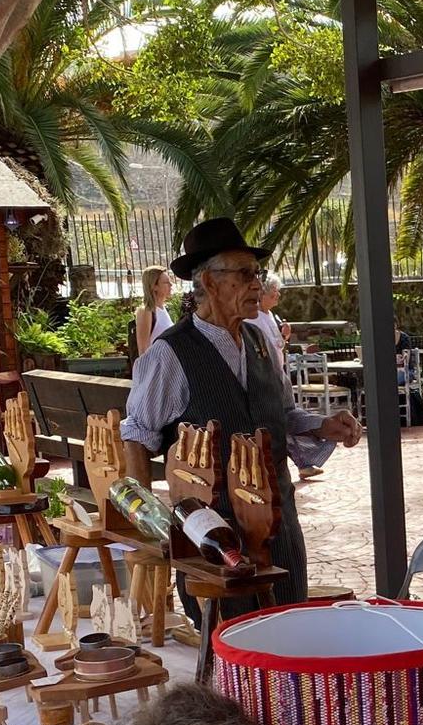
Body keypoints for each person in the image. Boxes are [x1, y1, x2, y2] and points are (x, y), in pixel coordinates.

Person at [120, 217, 361, 605]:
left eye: (258, 273)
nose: (257, 284)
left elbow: (281, 414)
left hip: (278, 525)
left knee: (290, 624)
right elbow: (138, 435)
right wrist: (145, 527)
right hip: (215, 531)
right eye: (245, 274)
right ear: (210, 282)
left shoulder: (262, 341)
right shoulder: (172, 352)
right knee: (233, 649)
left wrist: (323, 426)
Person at [246, 270, 335, 481]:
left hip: (278, 372)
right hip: (266, 377)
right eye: (274, 292)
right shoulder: (253, 318)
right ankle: (302, 461)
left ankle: (303, 461)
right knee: (281, 419)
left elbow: (276, 346)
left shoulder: (269, 315)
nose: (278, 296)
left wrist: (284, 336)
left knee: (287, 417)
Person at [133, 265, 176, 358]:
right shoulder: (146, 311)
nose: (171, 285)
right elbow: (143, 350)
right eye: (166, 282)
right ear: (154, 286)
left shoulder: (164, 309)